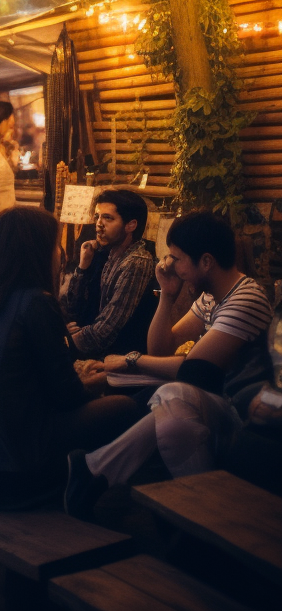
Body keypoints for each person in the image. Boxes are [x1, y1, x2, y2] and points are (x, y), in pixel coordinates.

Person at [64, 211, 274, 518]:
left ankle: (204, 514)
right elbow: (161, 349)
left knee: (171, 394)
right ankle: (93, 471)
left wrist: (129, 361)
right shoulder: (212, 297)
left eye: (176, 258)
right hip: (214, 397)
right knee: (169, 409)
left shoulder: (246, 298)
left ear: (205, 261)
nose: (169, 265)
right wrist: (166, 295)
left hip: (241, 411)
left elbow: (194, 370)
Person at [0, 207, 141, 510]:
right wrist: (97, 381)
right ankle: (77, 484)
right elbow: (66, 397)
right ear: (37, 249)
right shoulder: (34, 302)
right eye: (55, 244)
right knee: (124, 407)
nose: (59, 254)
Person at [60, 189, 156, 358]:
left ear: (131, 225)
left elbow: (107, 328)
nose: (99, 224)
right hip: (105, 355)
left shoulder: (137, 261)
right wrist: (83, 267)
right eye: (97, 216)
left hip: (122, 362)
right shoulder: (111, 254)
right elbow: (73, 308)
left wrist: (64, 342)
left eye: (108, 218)